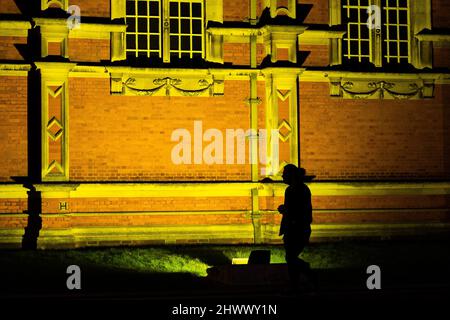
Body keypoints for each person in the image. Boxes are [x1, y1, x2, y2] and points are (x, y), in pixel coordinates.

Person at [278, 164, 313, 291]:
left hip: (297, 229)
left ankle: (305, 274)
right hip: (293, 228)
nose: (282, 176)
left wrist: (285, 210)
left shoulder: (298, 190)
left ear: (291, 175)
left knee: (291, 258)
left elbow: (299, 211)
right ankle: (296, 284)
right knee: (290, 258)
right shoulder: (294, 189)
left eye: (284, 173)